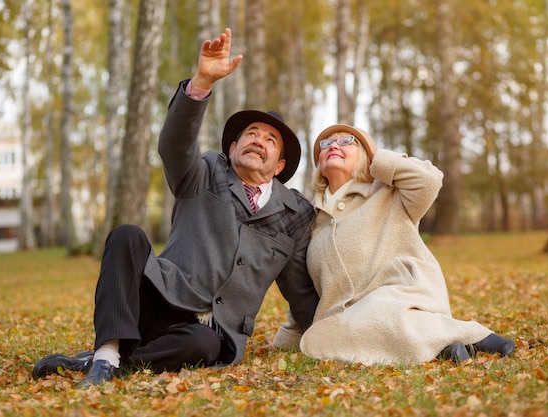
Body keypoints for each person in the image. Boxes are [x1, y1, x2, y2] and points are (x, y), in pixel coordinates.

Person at [32, 28, 318, 387]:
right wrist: (201, 82)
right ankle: (106, 352)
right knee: (127, 236)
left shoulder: (294, 215)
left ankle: (103, 362)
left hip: (204, 333)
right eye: (251, 134)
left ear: (279, 166)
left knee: (202, 343)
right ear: (232, 148)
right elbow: (174, 145)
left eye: (270, 139)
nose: (259, 140)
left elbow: (301, 292)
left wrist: (330, 335)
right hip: (154, 300)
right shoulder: (206, 171)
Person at [273, 124, 514, 365]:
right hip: (354, 319)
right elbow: (306, 289)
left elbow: (429, 180)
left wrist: (379, 160)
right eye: (325, 145)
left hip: (404, 295)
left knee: (377, 311)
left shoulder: (390, 192)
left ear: (366, 156)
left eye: (347, 141)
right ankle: (443, 347)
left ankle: (471, 335)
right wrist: (284, 340)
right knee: (326, 333)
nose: (333, 145)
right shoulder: (312, 220)